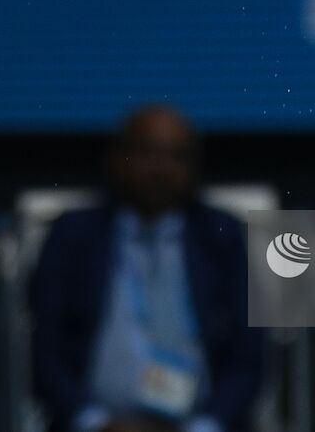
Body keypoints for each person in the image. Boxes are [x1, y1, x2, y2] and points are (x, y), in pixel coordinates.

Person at [27, 105, 263, 432]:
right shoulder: (75, 235)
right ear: (117, 158)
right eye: (147, 153)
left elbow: (248, 357)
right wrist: (93, 421)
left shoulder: (222, 236)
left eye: (176, 156)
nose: (161, 169)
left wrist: (205, 427)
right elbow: (45, 352)